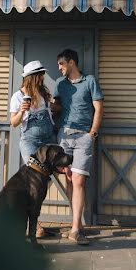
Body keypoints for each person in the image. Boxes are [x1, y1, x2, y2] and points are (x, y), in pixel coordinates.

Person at [51, 49, 103, 246]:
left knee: (79, 180)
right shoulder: (59, 84)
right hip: (63, 135)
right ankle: (76, 225)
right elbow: (56, 107)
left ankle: (75, 229)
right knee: (70, 179)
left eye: (61, 64)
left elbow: (99, 108)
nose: (59, 68)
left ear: (71, 62)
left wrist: (92, 134)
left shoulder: (90, 81)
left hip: (83, 137)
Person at [9, 59, 58, 238]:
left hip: (48, 140)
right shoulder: (18, 96)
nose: (43, 77)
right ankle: (35, 226)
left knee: (45, 179)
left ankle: (33, 219)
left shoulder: (44, 93)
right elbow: (13, 123)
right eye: (40, 75)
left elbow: (52, 113)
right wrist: (22, 111)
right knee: (34, 183)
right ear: (32, 77)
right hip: (30, 141)